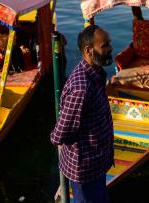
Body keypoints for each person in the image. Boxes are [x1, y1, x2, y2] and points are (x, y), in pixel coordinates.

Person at [50, 25, 114, 203]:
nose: (110, 49)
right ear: (89, 50)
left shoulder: (97, 73)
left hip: (97, 163)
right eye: (105, 45)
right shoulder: (81, 88)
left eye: (109, 43)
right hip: (85, 168)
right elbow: (59, 134)